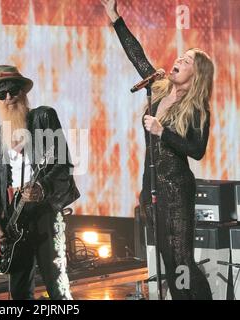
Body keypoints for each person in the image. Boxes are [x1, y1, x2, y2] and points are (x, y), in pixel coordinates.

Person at [101, 0, 214, 299]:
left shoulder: (197, 107)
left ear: (197, 74)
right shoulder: (159, 88)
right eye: (182, 56)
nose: (180, 59)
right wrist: (115, 18)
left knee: (182, 262)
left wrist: (164, 132)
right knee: (167, 262)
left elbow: (197, 150)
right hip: (151, 188)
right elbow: (137, 57)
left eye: (188, 60)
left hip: (177, 188)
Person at [0, 65, 80, 300]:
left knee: (55, 281)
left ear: (23, 93)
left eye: (13, 90)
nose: (8, 98)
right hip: (14, 218)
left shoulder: (43, 116)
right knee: (18, 289)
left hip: (45, 211)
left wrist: (42, 187)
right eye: (1, 93)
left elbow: (63, 163)